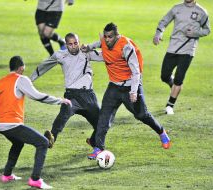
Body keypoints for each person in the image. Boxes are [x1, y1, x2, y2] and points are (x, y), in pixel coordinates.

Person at [0, 56, 71, 189]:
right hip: (12, 125)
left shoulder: (0, 82)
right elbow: (37, 96)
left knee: (18, 143)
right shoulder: (21, 79)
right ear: (21, 68)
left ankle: (7, 175)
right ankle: (35, 179)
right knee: (43, 142)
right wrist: (59, 100)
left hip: (0, 125)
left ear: (10, 68)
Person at [81, 23, 171, 159]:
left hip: (130, 86)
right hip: (114, 87)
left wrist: (134, 91)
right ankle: (98, 148)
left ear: (117, 36)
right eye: (105, 36)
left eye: (110, 37)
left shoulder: (126, 47)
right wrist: (88, 47)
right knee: (104, 117)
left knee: (142, 115)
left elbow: (136, 72)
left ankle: (161, 132)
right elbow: (97, 44)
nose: (107, 39)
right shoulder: (104, 42)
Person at [30, 33, 103, 147]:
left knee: (101, 124)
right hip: (71, 95)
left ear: (79, 42)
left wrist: (97, 44)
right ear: (66, 44)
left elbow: (107, 55)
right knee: (64, 113)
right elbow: (44, 66)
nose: (73, 46)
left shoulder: (86, 53)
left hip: (88, 96)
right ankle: (51, 138)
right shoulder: (60, 55)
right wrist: (30, 80)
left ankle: (94, 141)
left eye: (75, 43)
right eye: (70, 44)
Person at [153, 0, 210, 115]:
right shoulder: (176, 8)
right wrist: (158, 34)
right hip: (173, 47)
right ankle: (173, 85)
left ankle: (170, 105)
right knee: (164, 76)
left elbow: (207, 30)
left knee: (179, 78)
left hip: (188, 49)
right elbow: (164, 21)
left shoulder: (201, 12)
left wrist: (195, 32)